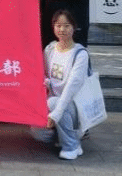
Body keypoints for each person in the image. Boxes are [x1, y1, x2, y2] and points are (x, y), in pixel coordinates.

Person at [30, 9, 88, 160]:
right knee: (37, 131)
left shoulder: (80, 54)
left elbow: (71, 88)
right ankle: (60, 137)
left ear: (74, 27)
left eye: (66, 26)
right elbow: (43, 73)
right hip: (53, 102)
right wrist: (46, 81)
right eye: (58, 25)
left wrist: (56, 114)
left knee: (55, 103)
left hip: (73, 106)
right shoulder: (50, 49)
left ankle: (72, 145)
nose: (62, 29)